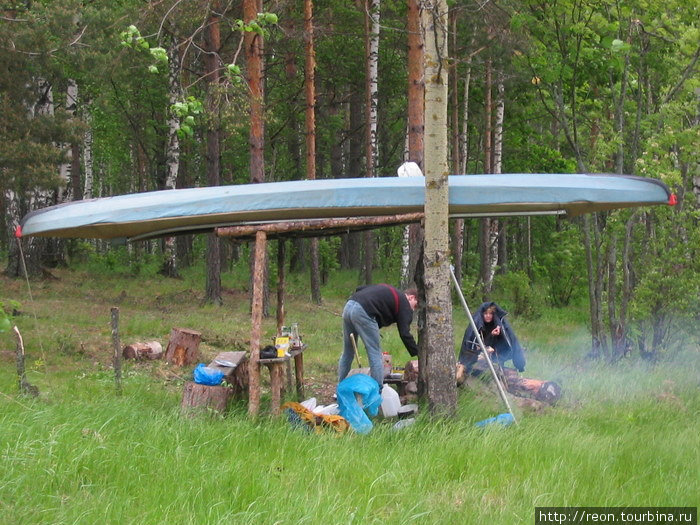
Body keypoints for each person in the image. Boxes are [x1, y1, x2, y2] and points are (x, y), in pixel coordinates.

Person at [338, 284, 419, 387]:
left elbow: (360, 288)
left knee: (348, 352)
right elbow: (404, 333)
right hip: (363, 311)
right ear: (411, 297)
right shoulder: (404, 303)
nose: (413, 310)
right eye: (415, 306)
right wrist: (417, 352)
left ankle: (340, 388)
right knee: (375, 354)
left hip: (349, 305)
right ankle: (377, 392)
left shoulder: (391, 292)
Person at [458, 301, 525, 373]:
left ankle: (498, 370)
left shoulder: (499, 325)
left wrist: (520, 365)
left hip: (496, 353)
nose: (488, 316)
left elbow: (512, 341)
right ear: (482, 314)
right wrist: (491, 335)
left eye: (490, 314)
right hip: (479, 353)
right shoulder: (477, 325)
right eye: (485, 313)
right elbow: (471, 342)